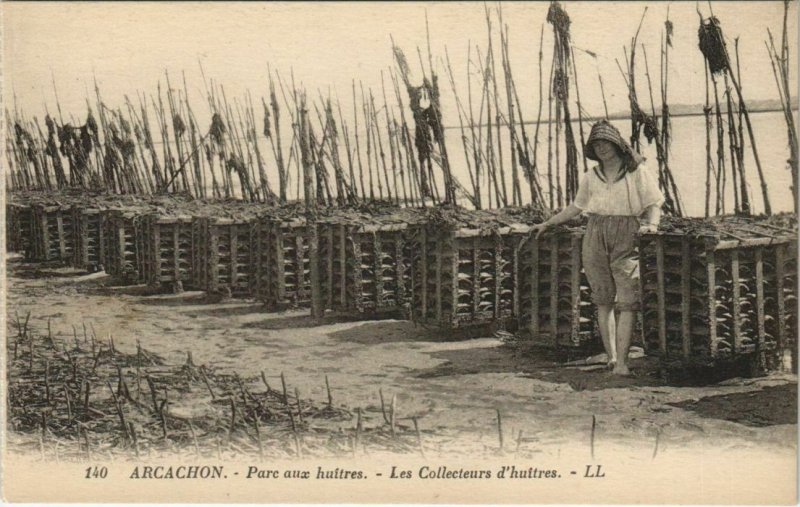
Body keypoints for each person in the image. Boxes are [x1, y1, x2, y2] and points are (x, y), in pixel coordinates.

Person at [530, 121, 664, 376]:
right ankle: (611, 358)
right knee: (603, 299)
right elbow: (576, 207)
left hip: (627, 232)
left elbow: (654, 202)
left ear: (617, 144)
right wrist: (547, 223)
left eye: (606, 143)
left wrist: (652, 225)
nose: (602, 148)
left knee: (627, 299)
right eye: (596, 145)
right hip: (595, 232)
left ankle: (623, 364)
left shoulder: (636, 172)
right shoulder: (591, 176)